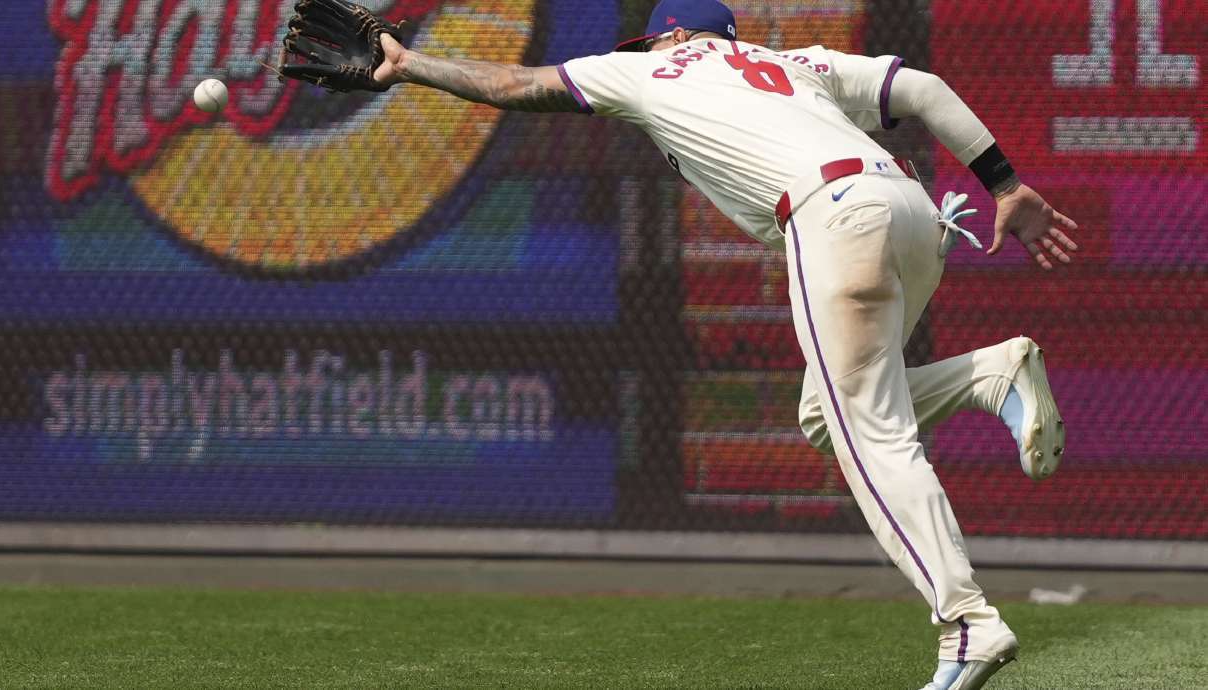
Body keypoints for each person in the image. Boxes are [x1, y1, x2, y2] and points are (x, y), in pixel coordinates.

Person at [311, 1, 1080, 687]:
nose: (646, 48)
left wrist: (411, 65)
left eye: (654, 37)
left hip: (832, 214)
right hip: (915, 212)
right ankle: (992, 373)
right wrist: (1005, 184)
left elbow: (521, 88)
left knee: (867, 434)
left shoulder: (650, 71)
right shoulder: (791, 63)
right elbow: (922, 90)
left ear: (676, 34)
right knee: (829, 415)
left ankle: (968, 622)